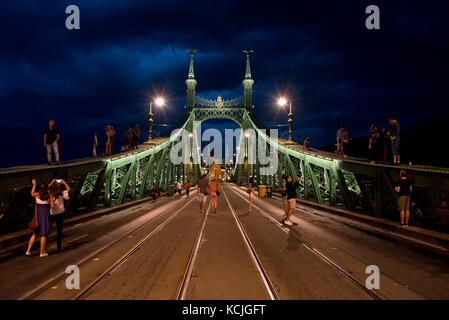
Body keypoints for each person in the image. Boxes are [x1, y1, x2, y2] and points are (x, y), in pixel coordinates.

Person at [26, 179, 53, 257]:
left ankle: (28, 251)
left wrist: (34, 184)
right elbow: (52, 206)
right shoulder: (49, 196)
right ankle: (42, 252)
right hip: (45, 216)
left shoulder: (37, 195)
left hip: (37, 217)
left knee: (34, 234)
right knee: (43, 235)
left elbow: (31, 193)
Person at [49, 179, 70, 252]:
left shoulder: (50, 194)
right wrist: (64, 182)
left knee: (47, 230)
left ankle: (43, 246)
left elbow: (47, 188)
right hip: (60, 214)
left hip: (52, 214)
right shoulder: (61, 194)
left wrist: (52, 182)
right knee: (59, 231)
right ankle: (59, 247)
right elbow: (68, 189)